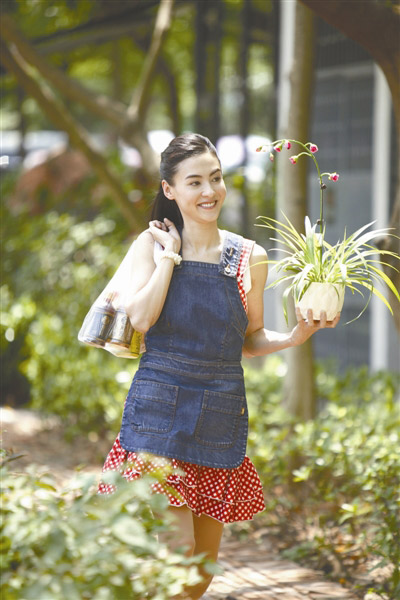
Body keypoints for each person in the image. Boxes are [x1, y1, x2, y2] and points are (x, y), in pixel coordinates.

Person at [98, 133, 340, 599]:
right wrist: (170, 256)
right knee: (177, 556)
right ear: (170, 190)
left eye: (216, 178)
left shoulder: (251, 256)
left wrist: (296, 336)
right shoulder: (148, 248)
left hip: (219, 416)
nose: (210, 192)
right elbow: (142, 319)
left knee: (200, 574)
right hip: (158, 416)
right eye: (195, 182)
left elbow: (249, 340)